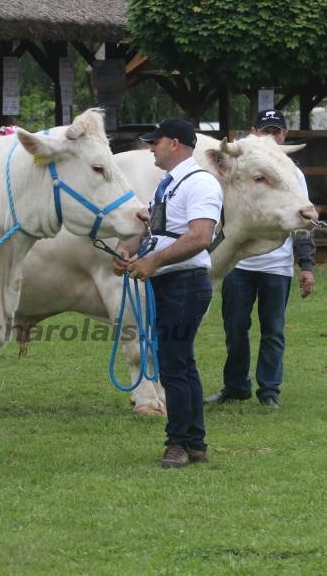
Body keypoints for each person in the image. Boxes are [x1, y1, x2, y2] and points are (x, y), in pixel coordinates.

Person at [112, 118, 221, 468]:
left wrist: (153, 263)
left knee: (173, 366)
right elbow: (153, 229)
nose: (150, 149)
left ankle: (178, 443)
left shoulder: (200, 183)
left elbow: (200, 236)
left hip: (184, 282)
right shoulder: (167, 185)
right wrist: (128, 250)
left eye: (154, 143)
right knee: (180, 363)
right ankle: (194, 441)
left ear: (174, 143)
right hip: (173, 282)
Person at [205, 109, 315, 410]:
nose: (270, 137)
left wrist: (306, 265)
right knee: (235, 327)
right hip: (238, 262)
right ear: (253, 132)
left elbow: (305, 219)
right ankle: (236, 386)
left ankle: (269, 390)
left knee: (273, 330)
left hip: (277, 265)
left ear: (284, 135)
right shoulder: (234, 168)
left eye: (276, 131)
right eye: (264, 131)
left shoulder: (293, 173)